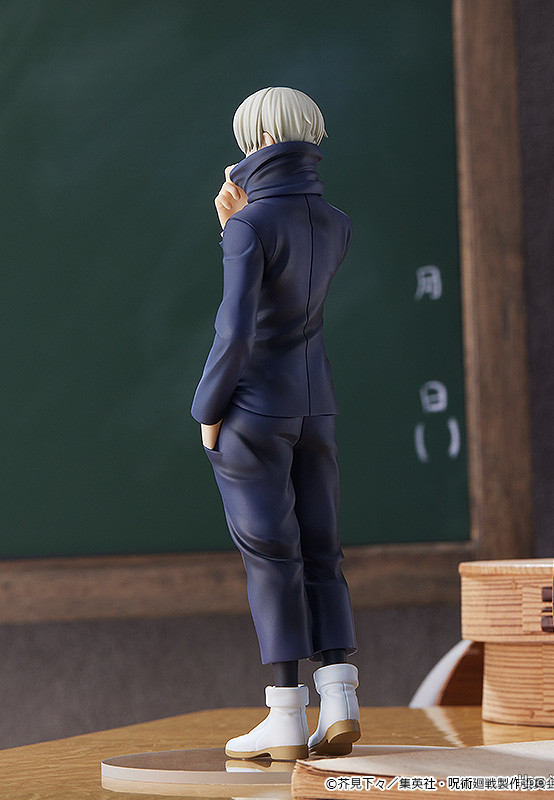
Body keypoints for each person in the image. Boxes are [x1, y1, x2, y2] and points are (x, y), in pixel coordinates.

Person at [191, 87, 359, 761]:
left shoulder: (250, 226)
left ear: (258, 140)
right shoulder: (337, 223)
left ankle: (286, 715)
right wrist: (239, 224)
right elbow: (293, 302)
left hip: (255, 407)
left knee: (271, 557)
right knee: (322, 550)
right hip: (316, 405)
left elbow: (238, 330)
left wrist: (207, 408)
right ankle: (340, 699)